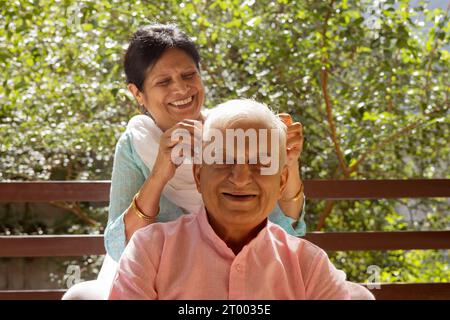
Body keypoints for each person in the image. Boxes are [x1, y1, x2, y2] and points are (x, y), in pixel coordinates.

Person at [62, 24, 306, 300]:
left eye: (189, 75)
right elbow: (121, 247)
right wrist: (159, 174)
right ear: (137, 93)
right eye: (163, 82)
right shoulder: (135, 143)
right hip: (160, 277)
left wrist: (291, 163)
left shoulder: (232, 130)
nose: (181, 89)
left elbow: (287, 229)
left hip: (243, 268)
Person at [109, 99, 350, 299]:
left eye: (260, 163)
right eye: (224, 160)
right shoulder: (150, 252)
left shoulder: (309, 266)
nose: (241, 178)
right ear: (199, 175)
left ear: (282, 182)